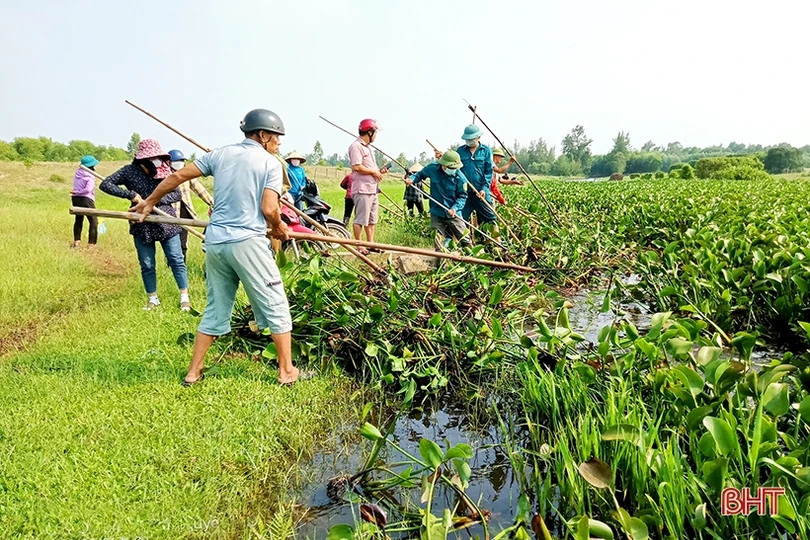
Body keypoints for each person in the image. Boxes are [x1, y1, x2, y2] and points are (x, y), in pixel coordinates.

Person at [131, 109, 306, 386]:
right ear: (262, 135)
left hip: (215, 243)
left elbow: (176, 177)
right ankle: (287, 372)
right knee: (276, 305)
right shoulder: (270, 164)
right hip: (247, 243)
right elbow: (269, 208)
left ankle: (193, 372)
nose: (279, 142)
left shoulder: (219, 154)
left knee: (216, 307)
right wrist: (278, 227)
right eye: (276, 136)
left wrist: (150, 202)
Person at [100, 140, 190, 311]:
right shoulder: (128, 171)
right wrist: (131, 195)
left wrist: (152, 201)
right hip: (141, 222)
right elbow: (105, 184)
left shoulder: (164, 169)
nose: (156, 160)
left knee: (176, 259)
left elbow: (176, 194)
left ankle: (184, 297)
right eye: (152, 158)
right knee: (147, 264)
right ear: (143, 159)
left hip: (166, 221)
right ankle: (153, 299)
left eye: (158, 157)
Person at [435, 125, 497, 229]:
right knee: (458, 219)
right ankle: (458, 239)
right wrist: (443, 158)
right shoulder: (460, 151)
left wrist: (484, 188)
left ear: (478, 137)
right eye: (467, 139)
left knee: (490, 219)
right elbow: (453, 166)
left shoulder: (486, 151)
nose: (469, 141)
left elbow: (488, 172)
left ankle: (494, 239)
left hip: (480, 192)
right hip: (464, 192)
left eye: (471, 139)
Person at [406, 151, 470, 250]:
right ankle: (440, 257)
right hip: (436, 211)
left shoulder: (461, 179)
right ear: (443, 165)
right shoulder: (432, 168)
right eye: (450, 168)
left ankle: (472, 256)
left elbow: (462, 197)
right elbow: (420, 174)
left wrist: (455, 208)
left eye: (455, 168)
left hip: (453, 213)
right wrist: (412, 179)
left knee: (465, 239)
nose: (453, 170)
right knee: (438, 240)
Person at [349, 118, 388, 253]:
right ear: (369, 132)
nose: (376, 136)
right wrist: (373, 172)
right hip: (363, 189)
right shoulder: (356, 147)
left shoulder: (368, 148)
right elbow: (356, 166)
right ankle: (359, 245)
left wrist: (378, 171)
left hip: (372, 189)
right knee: (361, 219)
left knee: (372, 220)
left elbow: (369, 168)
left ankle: (371, 243)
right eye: (375, 133)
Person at [168, 149, 214, 261]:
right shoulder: (165, 175)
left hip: (184, 211)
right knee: (172, 242)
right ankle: (172, 264)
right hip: (170, 212)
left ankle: (182, 263)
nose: (179, 163)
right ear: (169, 162)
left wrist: (212, 203)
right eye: (176, 161)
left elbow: (200, 190)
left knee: (183, 242)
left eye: (181, 161)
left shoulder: (187, 174)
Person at [71, 155, 99, 248]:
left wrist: (76, 192)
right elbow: (88, 190)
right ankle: (91, 244)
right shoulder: (90, 176)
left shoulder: (78, 173)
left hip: (75, 198)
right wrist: (79, 192)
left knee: (79, 219)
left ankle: (76, 241)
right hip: (86, 199)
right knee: (94, 220)